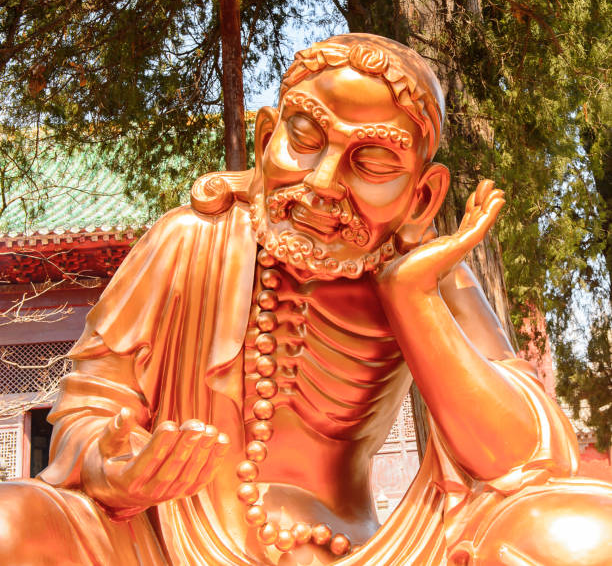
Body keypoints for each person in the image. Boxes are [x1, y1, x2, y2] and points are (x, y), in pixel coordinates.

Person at [1, 33, 611, 566]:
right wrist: (116, 472)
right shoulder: (191, 239)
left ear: (423, 196)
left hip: (376, 550)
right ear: (268, 135)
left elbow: (526, 460)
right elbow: (86, 410)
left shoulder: (434, 278)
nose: (322, 182)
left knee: (580, 535)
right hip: (167, 539)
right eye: (304, 137)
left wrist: (411, 295)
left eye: (371, 161)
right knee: (12, 524)